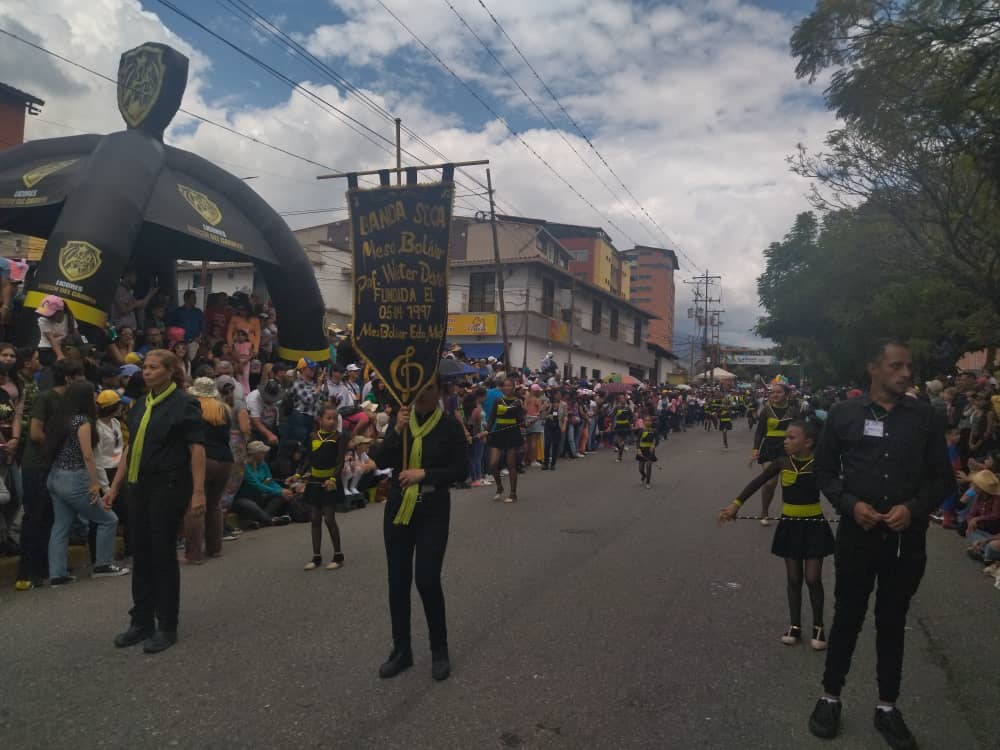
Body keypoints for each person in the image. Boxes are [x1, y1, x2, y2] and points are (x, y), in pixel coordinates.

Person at [807, 340, 955, 748]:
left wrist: (915, 508)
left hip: (906, 541)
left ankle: (887, 706)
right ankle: (830, 696)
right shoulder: (843, 415)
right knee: (848, 618)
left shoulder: (926, 417)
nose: (907, 373)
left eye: (910, 366)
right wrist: (849, 504)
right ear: (873, 368)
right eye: (897, 366)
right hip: (858, 536)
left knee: (892, 621)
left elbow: (941, 478)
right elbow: (824, 470)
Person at [105, 349, 205, 654]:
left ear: (170, 371)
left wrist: (199, 491)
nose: (145, 372)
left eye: (152, 367)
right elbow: (130, 448)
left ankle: (167, 625)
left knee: (162, 554)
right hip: (138, 486)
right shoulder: (139, 405)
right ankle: (141, 621)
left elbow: (197, 448)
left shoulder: (185, 403)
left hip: (168, 486)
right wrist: (115, 486)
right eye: (144, 367)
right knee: (141, 554)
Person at [374, 373, 466, 681]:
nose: (423, 395)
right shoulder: (402, 420)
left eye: (429, 388)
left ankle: (439, 649)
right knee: (397, 581)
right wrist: (394, 431)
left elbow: (460, 469)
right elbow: (380, 459)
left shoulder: (449, 426)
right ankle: (402, 651)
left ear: (440, 391)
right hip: (399, 506)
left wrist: (424, 473)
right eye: (419, 389)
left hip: (433, 508)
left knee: (426, 579)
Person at [719, 419, 833, 649]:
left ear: (808, 442)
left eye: (792, 438)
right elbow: (756, 483)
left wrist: (853, 510)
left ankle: (819, 626)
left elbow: (836, 490)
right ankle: (795, 625)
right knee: (793, 579)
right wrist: (735, 505)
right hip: (790, 525)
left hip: (813, 525)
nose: (786, 442)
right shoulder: (781, 463)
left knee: (812, 578)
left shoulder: (819, 464)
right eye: (785, 438)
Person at [45, 381, 129, 586]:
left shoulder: (60, 419)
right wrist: (95, 484)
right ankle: (103, 564)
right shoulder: (82, 422)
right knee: (108, 519)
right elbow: (89, 456)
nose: (95, 398)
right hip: (76, 478)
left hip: (55, 476)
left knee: (60, 526)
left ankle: (57, 573)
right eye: (92, 394)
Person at [14, 359, 86, 590]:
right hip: (37, 464)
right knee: (35, 516)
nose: (83, 380)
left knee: (52, 517)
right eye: (80, 375)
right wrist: (60, 448)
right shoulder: (46, 398)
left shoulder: (72, 401)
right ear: (69, 378)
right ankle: (27, 571)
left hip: (56, 464)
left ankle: (47, 566)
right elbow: (35, 433)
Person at [183, 378, 234, 564]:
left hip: (203, 459)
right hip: (225, 460)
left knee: (195, 506)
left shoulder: (193, 410)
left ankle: (193, 554)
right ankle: (215, 549)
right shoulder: (225, 410)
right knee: (214, 505)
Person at [301, 404, 345, 570]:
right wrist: (298, 474)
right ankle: (316, 557)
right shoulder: (313, 436)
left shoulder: (339, 437)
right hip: (314, 481)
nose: (332, 421)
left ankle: (338, 555)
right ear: (320, 420)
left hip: (330, 482)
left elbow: (340, 461)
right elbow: (308, 459)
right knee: (315, 518)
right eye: (329, 418)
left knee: (329, 518)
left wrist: (333, 478)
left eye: (335, 418)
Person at [752, 379, 800, 526]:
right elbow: (760, 431)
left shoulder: (794, 411)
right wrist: (755, 449)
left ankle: (789, 512)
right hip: (769, 448)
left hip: (788, 449)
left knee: (789, 483)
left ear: (786, 394)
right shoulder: (766, 410)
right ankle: (764, 511)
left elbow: (800, 431)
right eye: (772, 392)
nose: (774, 395)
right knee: (770, 482)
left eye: (778, 392)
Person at [486, 377, 524, 503]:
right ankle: (499, 487)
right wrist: (487, 430)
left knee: (511, 464)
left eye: (510, 386)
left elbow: (520, 421)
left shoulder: (518, 402)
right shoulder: (498, 400)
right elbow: (492, 418)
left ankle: (513, 494)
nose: (507, 388)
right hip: (498, 432)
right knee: (493, 463)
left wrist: (525, 423)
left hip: (512, 433)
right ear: (502, 387)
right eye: (505, 386)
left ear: (514, 387)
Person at [36, 294, 74, 367]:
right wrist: (60, 356)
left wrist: (85, 343)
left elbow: (79, 334)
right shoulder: (43, 320)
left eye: (50, 314)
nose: (47, 316)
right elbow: (51, 339)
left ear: (60, 312)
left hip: (63, 348)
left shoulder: (69, 317)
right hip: (46, 350)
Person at [636, 419, 657, 489]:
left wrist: (653, 446)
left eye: (649, 421)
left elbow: (657, 440)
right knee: (640, 469)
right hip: (642, 450)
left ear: (651, 422)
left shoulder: (653, 431)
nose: (648, 422)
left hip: (650, 450)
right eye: (646, 421)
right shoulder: (641, 430)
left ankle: (648, 482)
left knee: (648, 466)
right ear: (644, 422)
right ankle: (644, 475)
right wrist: (638, 449)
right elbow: (638, 441)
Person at [612, 395, 633, 462]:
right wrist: (611, 424)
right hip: (618, 426)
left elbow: (631, 417)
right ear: (619, 400)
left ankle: (619, 457)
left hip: (625, 426)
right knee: (617, 441)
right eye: (621, 399)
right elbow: (613, 416)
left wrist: (631, 424)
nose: (622, 400)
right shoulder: (617, 408)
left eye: (623, 398)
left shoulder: (628, 408)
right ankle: (618, 448)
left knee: (622, 443)